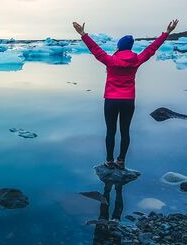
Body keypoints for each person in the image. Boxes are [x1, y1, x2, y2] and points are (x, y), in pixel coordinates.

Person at [72, 20, 179, 169]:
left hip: (111, 100)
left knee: (110, 130)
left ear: (120, 47)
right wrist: (167, 33)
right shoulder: (136, 59)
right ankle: (121, 160)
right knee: (125, 131)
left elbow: (95, 50)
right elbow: (151, 49)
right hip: (128, 100)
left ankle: (109, 161)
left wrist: (83, 34)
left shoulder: (111, 60)